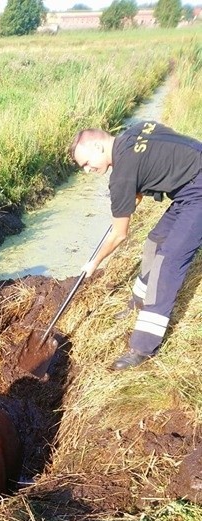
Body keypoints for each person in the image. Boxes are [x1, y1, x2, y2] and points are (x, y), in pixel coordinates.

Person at [70, 121, 202, 371]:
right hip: (189, 186)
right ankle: (138, 303)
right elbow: (157, 150)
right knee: (155, 242)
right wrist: (137, 192)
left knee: (168, 262)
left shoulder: (121, 176)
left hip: (198, 190)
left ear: (98, 146)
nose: (87, 170)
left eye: (87, 163)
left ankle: (142, 348)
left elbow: (119, 235)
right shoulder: (136, 129)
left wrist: (93, 263)